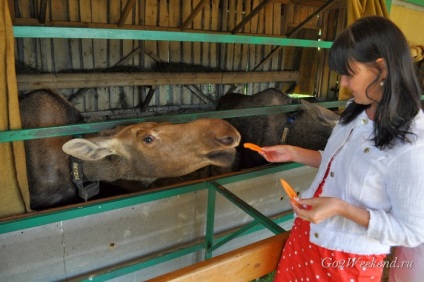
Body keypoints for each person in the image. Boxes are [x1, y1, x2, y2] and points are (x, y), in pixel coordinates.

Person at [258, 16, 424, 281]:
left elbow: (411, 231)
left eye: (350, 73)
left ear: (381, 70)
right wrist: (294, 153)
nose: (343, 83)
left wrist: (341, 208)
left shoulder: (412, 144)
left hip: (348, 262)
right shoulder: (355, 111)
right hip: (307, 235)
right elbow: (340, 165)